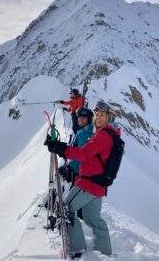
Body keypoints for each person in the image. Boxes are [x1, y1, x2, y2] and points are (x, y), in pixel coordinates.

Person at [45, 101, 120, 259]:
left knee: (64, 210)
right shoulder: (109, 135)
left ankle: (77, 251)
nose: (98, 118)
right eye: (97, 115)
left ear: (109, 117)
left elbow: (84, 153)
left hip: (88, 183)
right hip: (98, 186)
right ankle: (104, 253)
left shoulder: (104, 136)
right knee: (93, 219)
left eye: (102, 115)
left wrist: (60, 148)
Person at [59, 107, 94, 185]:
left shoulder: (85, 134)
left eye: (84, 118)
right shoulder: (86, 129)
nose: (80, 119)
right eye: (79, 117)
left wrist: (71, 168)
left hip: (79, 171)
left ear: (89, 119)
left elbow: (82, 154)